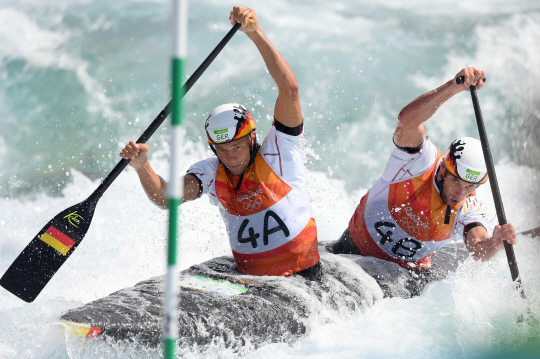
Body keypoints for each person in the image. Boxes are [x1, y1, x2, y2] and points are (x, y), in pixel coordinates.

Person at [120, 6, 321, 279]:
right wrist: (143, 167)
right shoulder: (211, 173)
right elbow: (164, 198)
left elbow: (289, 90)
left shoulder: (280, 151)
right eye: (222, 149)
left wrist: (255, 33)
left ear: (252, 138)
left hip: (302, 274)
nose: (231, 156)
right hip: (252, 281)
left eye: (237, 146)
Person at [326, 67, 516, 273]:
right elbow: (407, 121)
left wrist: (496, 243)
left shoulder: (469, 206)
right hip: (352, 250)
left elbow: (478, 249)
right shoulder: (420, 162)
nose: (460, 193)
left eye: (470, 186)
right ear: (442, 169)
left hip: (406, 274)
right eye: (455, 182)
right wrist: (453, 87)